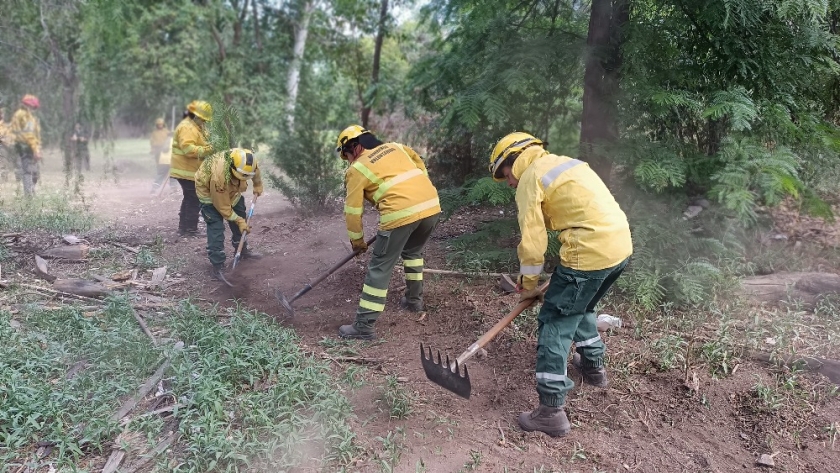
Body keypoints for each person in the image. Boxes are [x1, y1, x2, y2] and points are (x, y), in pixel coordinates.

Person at [488, 132, 633, 438]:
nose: (509, 183)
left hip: (589, 254)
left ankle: (551, 411)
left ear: (512, 163)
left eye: (505, 175)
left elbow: (533, 240)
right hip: (619, 247)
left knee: (555, 321)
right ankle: (593, 368)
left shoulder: (530, 179)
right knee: (583, 306)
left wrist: (527, 284)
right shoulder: (565, 162)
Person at [335, 125, 441, 340]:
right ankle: (414, 301)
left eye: (346, 155)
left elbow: (353, 211)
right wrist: (418, 193)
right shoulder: (396, 147)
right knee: (412, 254)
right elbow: (420, 164)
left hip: (400, 214)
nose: (348, 160)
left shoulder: (357, 168)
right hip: (431, 206)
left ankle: (364, 325)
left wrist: (358, 242)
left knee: (380, 267)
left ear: (353, 148)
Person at [195, 148, 263, 280]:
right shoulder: (218, 176)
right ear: (232, 168)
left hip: (233, 193)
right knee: (216, 228)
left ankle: (242, 251)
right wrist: (239, 221)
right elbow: (223, 207)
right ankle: (217, 266)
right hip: (209, 195)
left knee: (240, 218)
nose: (244, 179)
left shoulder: (246, 161)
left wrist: (257, 184)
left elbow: (255, 171)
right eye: (242, 176)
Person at [170, 100, 213, 237]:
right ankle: (189, 230)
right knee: (193, 198)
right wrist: (209, 149)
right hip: (185, 170)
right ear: (195, 115)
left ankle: (184, 228)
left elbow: (204, 140)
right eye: (202, 119)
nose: (204, 122)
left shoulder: (197, 127)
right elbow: (189, 150)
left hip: (190, 170)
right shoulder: (187, 128)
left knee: (189, 198)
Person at [9, 94, 42, 196]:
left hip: (30, 146)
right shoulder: (23, 115)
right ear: (26, 105)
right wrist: (36, 150)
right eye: (31, 107)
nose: (32, 109)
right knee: (28, 171)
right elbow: (29, 135)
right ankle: (29, 197)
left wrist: (38, 148)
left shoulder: (29, 116)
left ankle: (31, 191)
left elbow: (36, 134)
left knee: (35, 173)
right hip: (25, 146)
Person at [149, 117, 175, 193]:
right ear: (157, 125)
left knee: (171, 172)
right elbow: (152, 142)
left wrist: (171, 134)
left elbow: (171, 139)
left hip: (167, 156)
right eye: (159, 124)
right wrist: (154, 149)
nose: (160, 126)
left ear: (163, 124)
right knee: (161, 171)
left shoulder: (167, 132)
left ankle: (173, 188)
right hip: (160, 154)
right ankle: (155, 188)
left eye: (161, 124)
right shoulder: (154, 133)